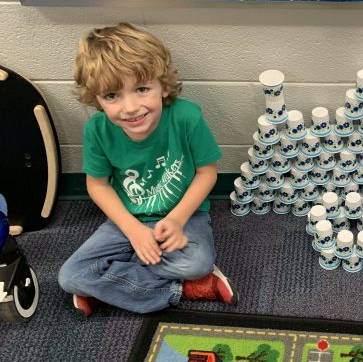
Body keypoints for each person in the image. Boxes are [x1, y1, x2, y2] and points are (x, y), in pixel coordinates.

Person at [58, 23, 237, 316]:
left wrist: (177, 219)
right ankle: (183, 289)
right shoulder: (97, 130)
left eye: (141, 89)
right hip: (126, 219)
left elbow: (207, 173)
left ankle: (109, 285)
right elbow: (97, 184)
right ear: (96, 99)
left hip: (184, 216)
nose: (130, 107)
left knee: (196, 263)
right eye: (111, 95)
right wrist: (133, 230)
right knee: (70, 276)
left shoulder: (186, 117)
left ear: (163, 86)